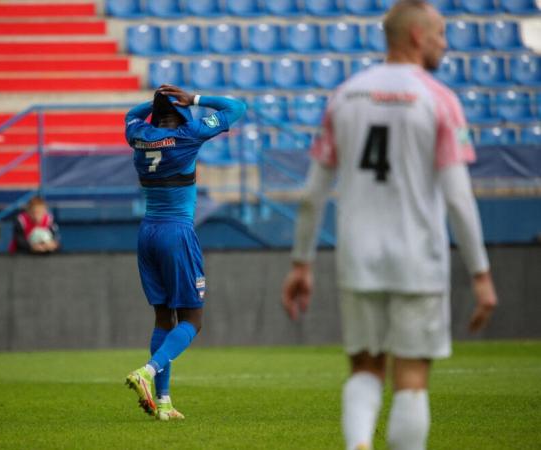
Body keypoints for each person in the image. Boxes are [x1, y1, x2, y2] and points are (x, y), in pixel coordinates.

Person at [281, 1, 497, 449]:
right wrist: (480, 274)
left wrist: (301, 263)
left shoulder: (346, 95)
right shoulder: (439, 100)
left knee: (364, 367)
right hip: (419, 258)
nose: (445, 42)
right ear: (416, 36)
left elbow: (311, 194)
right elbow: (458, 197)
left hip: (359, 256)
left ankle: (359, 443)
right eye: (439, 32)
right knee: (412, 376)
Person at [124, 85, 246, 421]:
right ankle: (147, 372)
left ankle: (163, 402)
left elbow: (131, 115)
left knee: (164, 317)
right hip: (176, 233)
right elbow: (236, 106)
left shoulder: (139, 134)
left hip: (146, 233)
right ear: (179, 114)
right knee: (193, 319)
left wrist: (155, 102)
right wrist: (192, 100)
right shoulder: (188, 133)